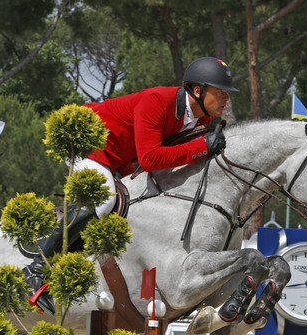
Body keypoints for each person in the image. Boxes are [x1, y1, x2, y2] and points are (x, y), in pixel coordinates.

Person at [23, 57, 238, 314]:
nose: (225, 99)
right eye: (220, 92)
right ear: (197, 90)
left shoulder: (201, 120)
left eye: (226, 93)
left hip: (121, 161)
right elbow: (149, 159)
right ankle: (36, 270)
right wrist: (202, 146)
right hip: (92, 146)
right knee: (104, 200)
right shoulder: (157, 100)